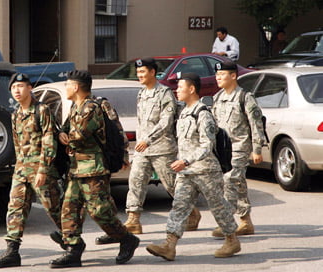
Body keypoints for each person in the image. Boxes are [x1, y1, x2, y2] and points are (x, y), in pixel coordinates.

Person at [96, 58, 199, 246]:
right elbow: (141, 122)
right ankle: (133, 219)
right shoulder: (142, 93)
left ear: (152, 72)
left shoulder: (165, 93)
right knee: (135, 180)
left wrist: (148, 139)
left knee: (172, 185)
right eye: (138, 73)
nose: (140, 76)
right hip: (143, 149)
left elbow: (166, 121)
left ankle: (192, 212)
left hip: (162, 148)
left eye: (143, 72)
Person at [49, 70, 139, 268]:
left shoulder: (91, 108)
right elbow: (67, 130)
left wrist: (65, 137)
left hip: (93, 168)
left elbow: (80, 135)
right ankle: (74, 249)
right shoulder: (75, 106)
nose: (66, 88)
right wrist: (63, 135)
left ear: (76, 87)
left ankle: (126, 239)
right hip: (76, 168)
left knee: (99, 211)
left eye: (68, 85)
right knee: (69, 209)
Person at [146, 73, 240, 261]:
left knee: (218, 207)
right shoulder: (183, 113)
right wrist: (182, 162)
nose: (177, 90)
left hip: (206, 171)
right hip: (187, 172)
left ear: (191, 89)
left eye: (180, 87)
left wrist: (186, 160)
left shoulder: (203, 114)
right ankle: (169, 246)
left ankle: (232, 240)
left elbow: (207, 145)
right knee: (179, 207)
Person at [0, 73, 63, 269]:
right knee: (15, 209)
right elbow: (16, 144)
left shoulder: (42, 110)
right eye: (14, 88)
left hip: (41, 169)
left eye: (21, 86)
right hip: (22, 170)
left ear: (30, 88)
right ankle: (12, 251)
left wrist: (43, 170)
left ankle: (72, 240)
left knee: (53, 208)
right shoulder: (15, 115)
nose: (17, 90)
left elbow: (49, 140)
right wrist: (18, 168)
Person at [211, 60, 266, 238]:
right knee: (239, 183)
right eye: (217, 74)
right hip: (224, 150)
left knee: (230, 181)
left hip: (240, 148)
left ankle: (228, 224)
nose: (218, 77)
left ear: (233, 76)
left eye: (222, 74)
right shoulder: (217, 97)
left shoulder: (245, 97)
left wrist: (257, 149)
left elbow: (256, 124)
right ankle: (246, 222)